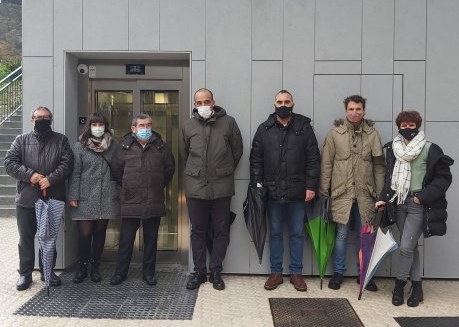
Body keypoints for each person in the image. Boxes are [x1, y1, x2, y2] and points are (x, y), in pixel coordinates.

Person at [376, 110, 453, 307]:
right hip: (399, 202)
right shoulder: (393, 148)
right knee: (409, 247)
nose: (408, 128)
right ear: (399, 126)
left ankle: (399, 285)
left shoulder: (430, 148)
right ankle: (417, 288)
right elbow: (389, 176)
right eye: (404, 125)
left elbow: (444, 178)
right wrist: (383, 198)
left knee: (406, 247)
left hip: (418, 204)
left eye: (412, 125)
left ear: (417, 126)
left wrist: (422, 197)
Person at [250, 90, 320, 292]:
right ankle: (276, 273)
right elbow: (256, 160)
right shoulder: (264, 129)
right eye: (279, 101)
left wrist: (311, 186)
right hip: (272, 193)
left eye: (287, 101)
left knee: (297, 234)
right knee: (276, 234)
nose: (283, 105)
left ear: (293, 103)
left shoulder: (304, 128)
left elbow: (313, 159)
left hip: (298, 192)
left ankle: (297, 273)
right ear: (274, 104)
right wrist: (258, 187)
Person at [320, 95, 385, 291]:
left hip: (366, 194)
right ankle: (338, 273)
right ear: (345, 110)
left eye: (358, 109)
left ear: (364, 110)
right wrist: (324, 190)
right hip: (342, 193)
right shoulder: (334, 134)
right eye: (351, 109)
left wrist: (381, 195)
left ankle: (364, 274)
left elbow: (379, 167)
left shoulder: (373, 134)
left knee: (365, 236)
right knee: (340, 235)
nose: (354, 112)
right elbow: (326, 164)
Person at [4, 106, 74, 291]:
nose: (42, 119)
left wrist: (50, 179)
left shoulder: (61, 140)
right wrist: (31, 175)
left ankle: (48, 271)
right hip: (27, 198)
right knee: (26, 238)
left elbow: (67, 164)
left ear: (51, 119)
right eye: (38, 117)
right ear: (31, 119)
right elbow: (10, 163)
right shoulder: (21, 140)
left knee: (49, 237)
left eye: (46, 117)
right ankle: (25, 274)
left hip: (51, 197)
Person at [182, 88, 243, 291]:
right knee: (197, 231)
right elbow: (184, 155)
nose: (203, 106)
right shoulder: (188, 125)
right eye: (199, 102)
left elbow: (237, 151)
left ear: (213, 102)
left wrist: (223, 171)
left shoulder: (229, 122)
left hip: (221, 187)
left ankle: (216, 271)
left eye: (206, 101)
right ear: (194, 104)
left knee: (221, 231)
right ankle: (199, 272)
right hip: (196, 187)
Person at [109, 113, 174, 286]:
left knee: (151, 240)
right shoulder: (124, 147)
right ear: (133, 128)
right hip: (131, 201)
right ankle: (120, 273)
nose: (145, 129)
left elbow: (169, 169)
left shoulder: (160, 146)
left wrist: (157, 183)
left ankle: (149, 274)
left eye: (148, 125)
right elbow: (116, 171)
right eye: (141, 126)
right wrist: (128, 186)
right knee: (126, 240)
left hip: (153, 200)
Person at [69, 113, 120, 283]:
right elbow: (75, 173)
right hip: (85, 196)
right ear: (89, 126)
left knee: (100, 233)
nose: (98, 127)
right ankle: (82, 268)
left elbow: (119, 169)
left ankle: (95, 268)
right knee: (85, 234)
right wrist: (73, 195)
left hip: (106, 195)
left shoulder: (114, 146)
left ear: (106, 126)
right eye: (94, 124)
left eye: (101, 124)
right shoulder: (80, 146)